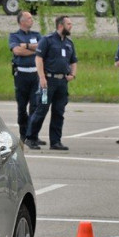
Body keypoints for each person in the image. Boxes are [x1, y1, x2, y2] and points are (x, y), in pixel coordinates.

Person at [27, 15, 77, 152]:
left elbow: (73, 61)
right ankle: (31, 138)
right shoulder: (47, 40)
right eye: (69, 23)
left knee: (59, 111)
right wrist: (42, 77)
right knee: (42, 109)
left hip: (62, 83)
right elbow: (39, 59)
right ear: (61, 25)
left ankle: (55, 141)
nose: (71, 26)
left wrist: (72, 74)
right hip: (47, 83)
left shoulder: (69, 43)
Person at [9, 11, 43, 141]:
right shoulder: (15, 36)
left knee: (35, 105)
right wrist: (34, 51)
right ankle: (23, 134)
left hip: (36, 75)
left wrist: (27, 47)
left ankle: (32, 134)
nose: (32, 20)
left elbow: (42, 48)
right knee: (22, 106)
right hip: (21, 75)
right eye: (29, 18)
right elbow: (17, 51)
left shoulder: (36, 35)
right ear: (22, 21)